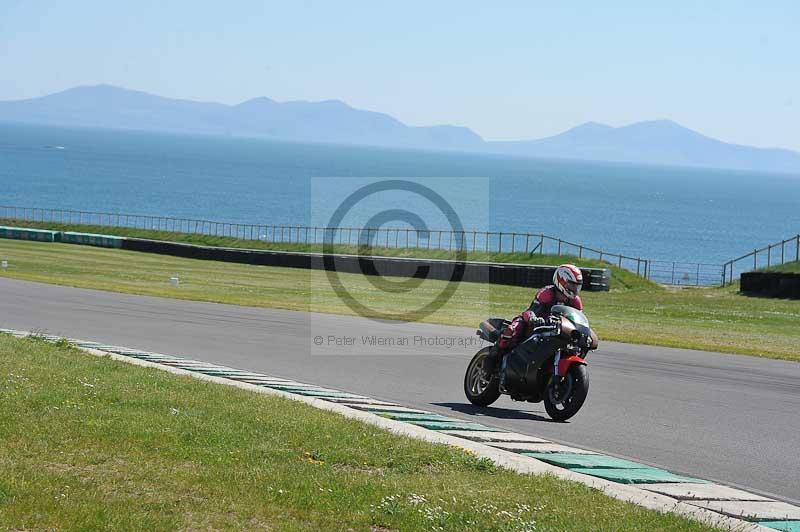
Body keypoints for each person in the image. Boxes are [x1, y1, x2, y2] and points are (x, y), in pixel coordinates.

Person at [483, 264, 584, 375]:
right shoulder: (547, 293)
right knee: (513, 329)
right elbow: (530, 311)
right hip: (534, 325)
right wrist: (534, 318)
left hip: (558, 330)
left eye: (577, 286)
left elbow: (579, 320)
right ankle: (492, 358)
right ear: (561, 281)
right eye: (572, 285)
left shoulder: (576, 301)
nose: (575, 289)